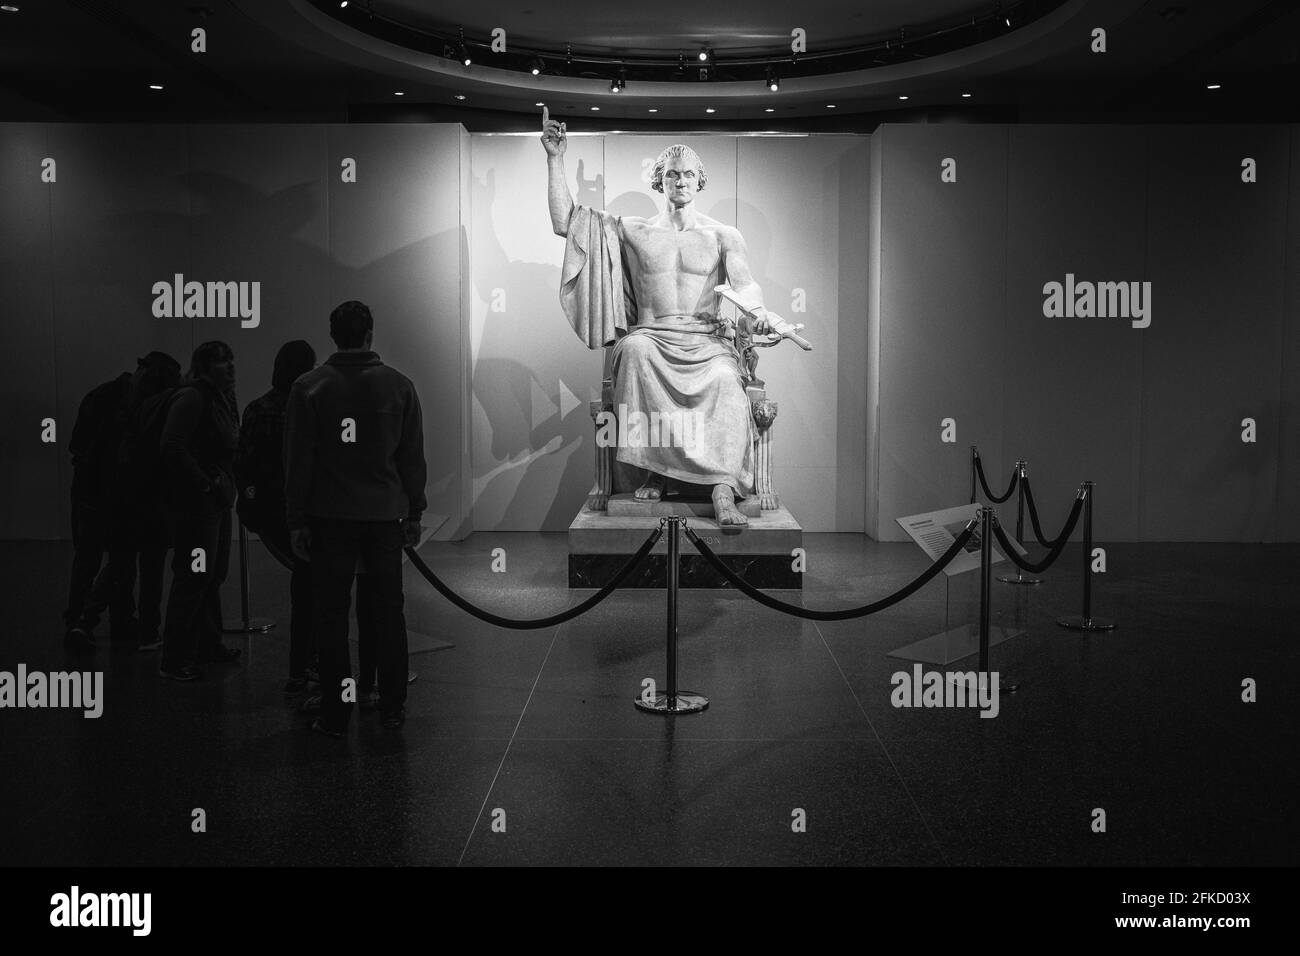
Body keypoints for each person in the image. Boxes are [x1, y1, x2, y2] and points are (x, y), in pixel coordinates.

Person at [544, 119, 779, 527]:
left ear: (699, 181)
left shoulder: (723, 235)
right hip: (652, 336)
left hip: (706, 342)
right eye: (672, 174)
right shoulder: (634, 231)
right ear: (660, 181)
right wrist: (555, 159)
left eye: (689, 174)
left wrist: (760, 316)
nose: (681, 181)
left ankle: (723, 486)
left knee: (726, 378)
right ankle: (654, 470)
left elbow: (748, 286)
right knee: (632, 352)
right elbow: (567, 221)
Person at [284, 301, 426, 736]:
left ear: (333, 335)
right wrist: (414, 510)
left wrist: (296, 520)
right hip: (383, 517)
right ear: (371, 333)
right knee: (388, 612)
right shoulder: (399, 387)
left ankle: (335, 706)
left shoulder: (309, 388)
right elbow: (411, 458)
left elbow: (298, 462)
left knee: (330, 615)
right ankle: (392, 705)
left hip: (330, 517)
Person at [235, 340, 318, 692]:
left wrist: (253, 502)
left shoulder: (257, 408)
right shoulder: (309, 407)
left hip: (272, 513)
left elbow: (246, 464)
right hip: (302, 512)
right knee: (312, 591)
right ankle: (307, 668)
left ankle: (301, 670)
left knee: (306, 590)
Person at [158, 342, 242, 681]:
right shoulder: (193, 398)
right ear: (205, 367)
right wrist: (205, 483)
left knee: (211, 575)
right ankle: (175, 659)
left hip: (216, 503)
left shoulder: (221, 397)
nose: (231, 367)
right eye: (223, 362)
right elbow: (171, 446)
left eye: (231, 359)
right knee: (193, 577)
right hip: (197, 506)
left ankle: (208, 645)